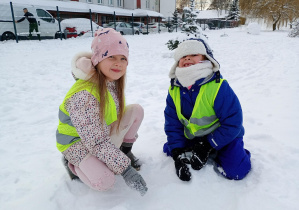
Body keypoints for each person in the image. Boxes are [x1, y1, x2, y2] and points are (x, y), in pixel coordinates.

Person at [56, 28, 147, 196]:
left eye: (122, 58)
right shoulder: (84, 95)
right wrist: (125, 169)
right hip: (76, 143)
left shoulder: (109, 81)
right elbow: (96, 142)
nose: (118, 63)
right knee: (105, 181)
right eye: (110, 56)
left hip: (98, 134)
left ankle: (124, 151)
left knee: (136, 111)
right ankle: (73, 164)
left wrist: (118, 157)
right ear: (97, 59)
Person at [163, 38, 251, 181]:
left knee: (236, 171)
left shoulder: (217, 87)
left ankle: (233, 152)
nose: (187, 58)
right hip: (194, 136)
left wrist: (208, 145)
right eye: (183, 56)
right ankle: (195, 149)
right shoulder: (174, 89)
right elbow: (173, 124)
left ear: (206, 58)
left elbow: (233, 122)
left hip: (224, 136)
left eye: (194, 54)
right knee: (170, 149)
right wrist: (178, 153)